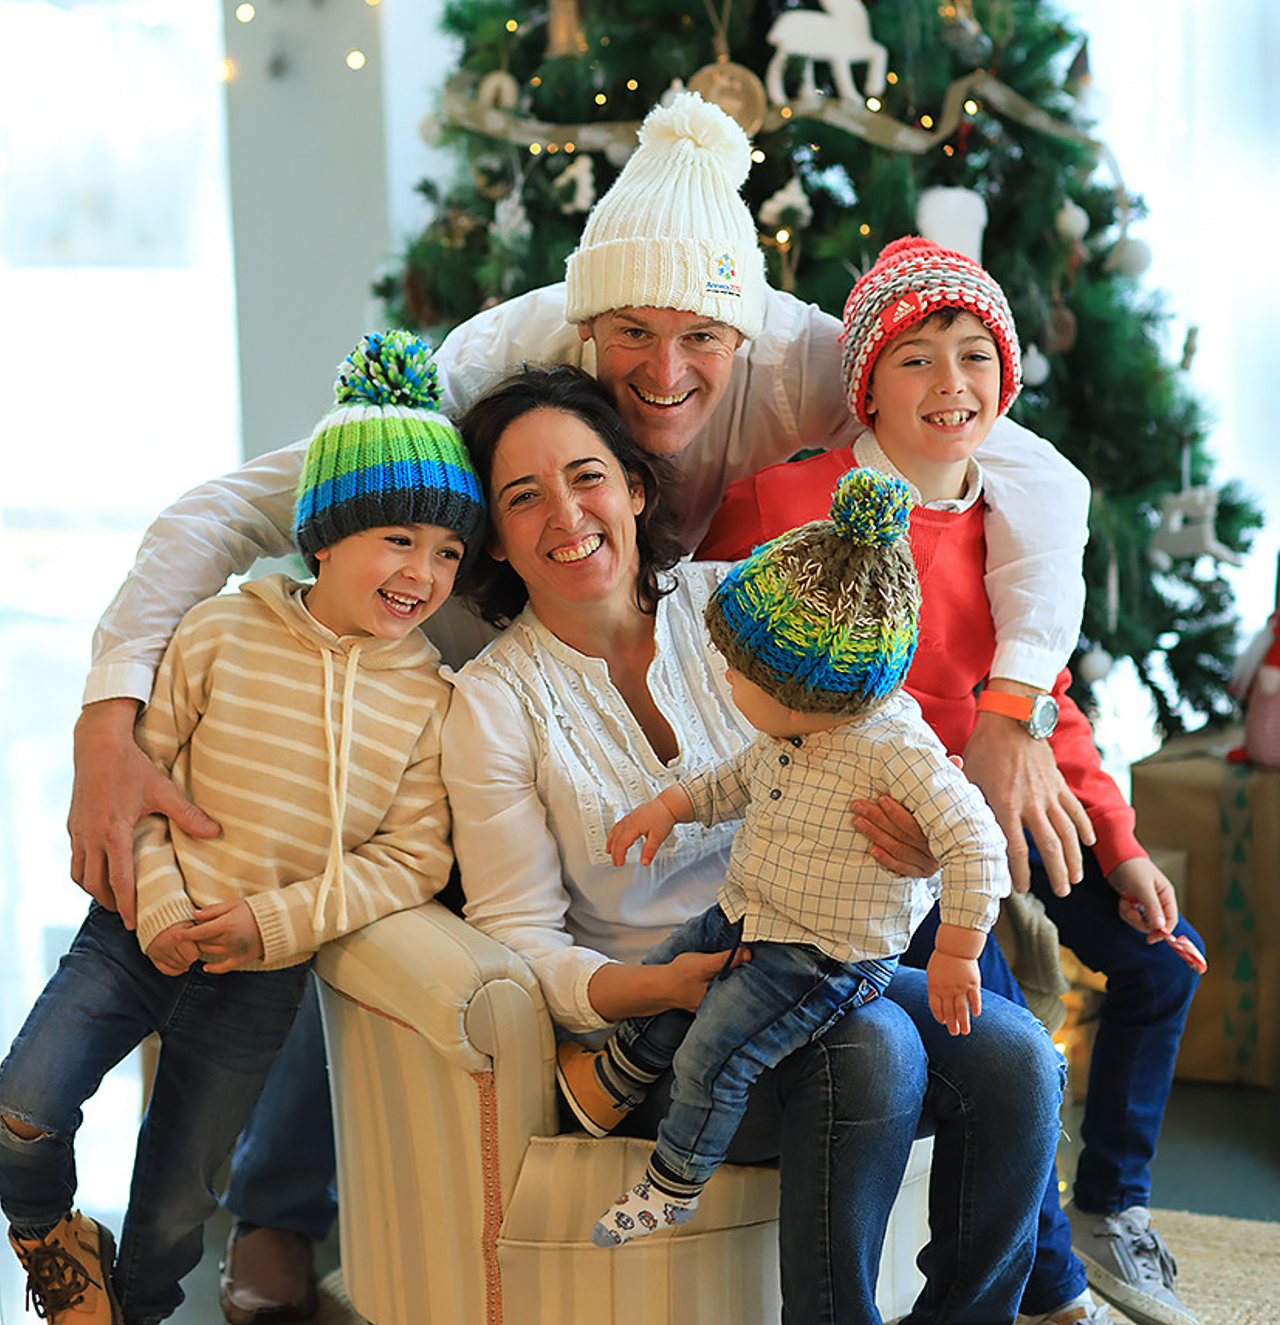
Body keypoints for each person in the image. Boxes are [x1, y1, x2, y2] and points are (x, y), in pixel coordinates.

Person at [67, 92, 1090, 1317]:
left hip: (781, 869)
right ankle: (280, 1215)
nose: (667, 370)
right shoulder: (489, 379)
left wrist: (1005, 714)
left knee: (1011, 1054)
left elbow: (1012, 468)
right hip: (536, 769)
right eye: (631, 334)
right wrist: (106, 714)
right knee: (384, 867)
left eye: (699, 338)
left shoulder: (793, 401)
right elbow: (240, 510)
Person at [443, 363, 1064, 1323]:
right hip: (665, 1019)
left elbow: (880, 725)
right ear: (494, 533)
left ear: (637, 488)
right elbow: (517, 936)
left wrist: (914, 844)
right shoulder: (491, 701)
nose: (565, 514)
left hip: (812, 946)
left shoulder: (736, 596)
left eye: (587, 475)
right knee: (875, 1048)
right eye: (522, 497)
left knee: (1021, 1058)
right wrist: (659, 986)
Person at [699, 237, 1206, 1325]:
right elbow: (723, 668)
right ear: (864, 387)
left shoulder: (1011, 523)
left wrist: (1113, 841)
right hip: (882, 843)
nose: (950, 383)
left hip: (999, 806)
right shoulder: (782, 501)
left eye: (973, 355)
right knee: (1001, 1032)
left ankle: (1109, 1209)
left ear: (1003, 380)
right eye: (915, 359)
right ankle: (1050, 1287)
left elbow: (1043, 703)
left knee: (1164, 961)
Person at [0, 335, 483, 1325]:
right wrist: (163, 903)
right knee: (22, 1106)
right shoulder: (218, 630)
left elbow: (413, 856)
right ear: (323, 538)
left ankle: (131, 1309)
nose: (423, 572)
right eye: (397, 538)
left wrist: (275, 924)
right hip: (133, 927)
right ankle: (52, 1236)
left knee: (179, 1203)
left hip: (261, 970)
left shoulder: (432, 698)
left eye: (446, 553)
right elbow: (145, 781)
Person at [549, 469, 1010, 1249]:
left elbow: (976, 843)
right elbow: (735, 781)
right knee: (672, 962)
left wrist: (959, 952)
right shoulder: (796, 730)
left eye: (739, 674)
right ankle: (624, 1070)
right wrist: (667, 808)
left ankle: (673, 1184)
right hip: (751, 912)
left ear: (800, 696)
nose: (724, 679)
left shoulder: (897, 752)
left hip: (820, 957)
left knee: (717, 1048)